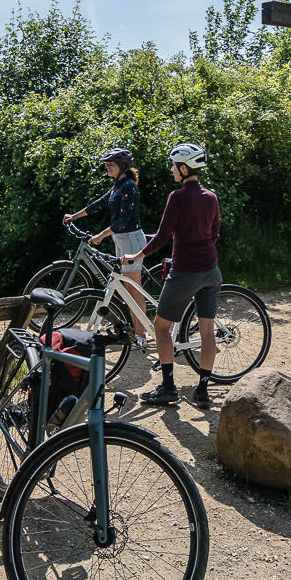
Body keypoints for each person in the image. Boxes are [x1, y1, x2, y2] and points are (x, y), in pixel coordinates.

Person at [136, 142, 221, 407]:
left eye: (174, 166)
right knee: (207, 332)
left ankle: (169, 387)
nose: (172, 170)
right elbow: (215, 234)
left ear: (184, 168)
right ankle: (203, 390)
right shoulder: (211, 197)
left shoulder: (178, 197)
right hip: (211, 271)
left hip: (185, 272)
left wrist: (137, 256)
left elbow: (163, 235)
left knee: (161, 327)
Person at [62, 148, 150, 342]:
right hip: (121, 240)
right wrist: (74, 216)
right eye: (106, 164)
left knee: (134, 290)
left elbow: (123, 221)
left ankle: (140, 335)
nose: (107, 167)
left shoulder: (129, 187)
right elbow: (99, 204)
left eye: (111, 164)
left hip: (131, 240)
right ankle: (135, 330)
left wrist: (101, 235)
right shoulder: (118, 185)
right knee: (127, 290)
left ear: (122, 166)